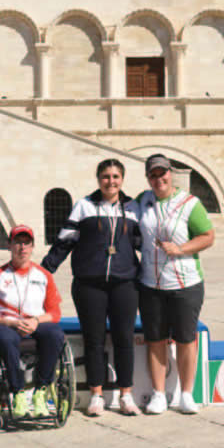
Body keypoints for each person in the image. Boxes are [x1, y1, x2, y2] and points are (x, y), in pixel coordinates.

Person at [41, 159, 142, 416]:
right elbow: (64, 241)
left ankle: (126, 394)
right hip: (89, 284)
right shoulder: (83, 206)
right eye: (106, 176)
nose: (111, 181)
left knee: (124, 339)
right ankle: (96, 395)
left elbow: (143, 243)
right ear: (98, 179)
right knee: (94, 340)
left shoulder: (133, 208)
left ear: (122, 179)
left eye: (116, 176)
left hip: (125, 283)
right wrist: (44, 271)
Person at [136, 153, 215, 414]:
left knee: (185, 340)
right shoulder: (142, 201)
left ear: (171, 173)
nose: (159, 179)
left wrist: (180, 249)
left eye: (163, 173)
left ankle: (186, 394)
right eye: (153, 174)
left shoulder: (190, 203)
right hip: (151, 285)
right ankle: (159, 394)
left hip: (185, 284)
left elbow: (207, 236)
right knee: (155, 340)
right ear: (148, 178)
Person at [0, 224, 65, 419]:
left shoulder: (44, 276)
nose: (22, 248)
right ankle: (17, 393)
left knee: (55, 334)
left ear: (32, 247)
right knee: (7, 339)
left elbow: (55, 313)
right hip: (6, 326)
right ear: (9, 245)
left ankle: (41, 392)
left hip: (35, 324)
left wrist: (36, 321)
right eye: (18, 243)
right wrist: (10, 323)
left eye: (27, 243)